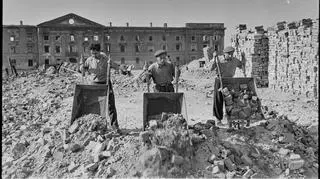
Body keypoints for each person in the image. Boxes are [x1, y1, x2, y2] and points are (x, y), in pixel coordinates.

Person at [80, 44, 120, 132]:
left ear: (99, 51)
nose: (94, 55)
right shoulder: (89, 60)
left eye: (95, 54)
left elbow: (116, 67)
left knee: (110, 105)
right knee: (95, 105)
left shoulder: (105, 58)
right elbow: (83, 69)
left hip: (106, 83)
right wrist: (82, 68)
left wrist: (117, 67)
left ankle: (115, 126)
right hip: (94, 84)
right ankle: (96, 126)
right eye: (92, 54)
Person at [207, 46, 246, 126]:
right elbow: (210, 68)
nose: (231, 55)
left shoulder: (235, 60)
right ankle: (218, 120)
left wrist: (243, 58)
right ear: (225, 54)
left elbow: (241, 65)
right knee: (218, 100)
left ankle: (230, 119)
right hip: (219, 81)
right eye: (229, 54)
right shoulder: (219, 59)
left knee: (230, 101)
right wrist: (214, 59)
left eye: (232, 54)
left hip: (230, 81)